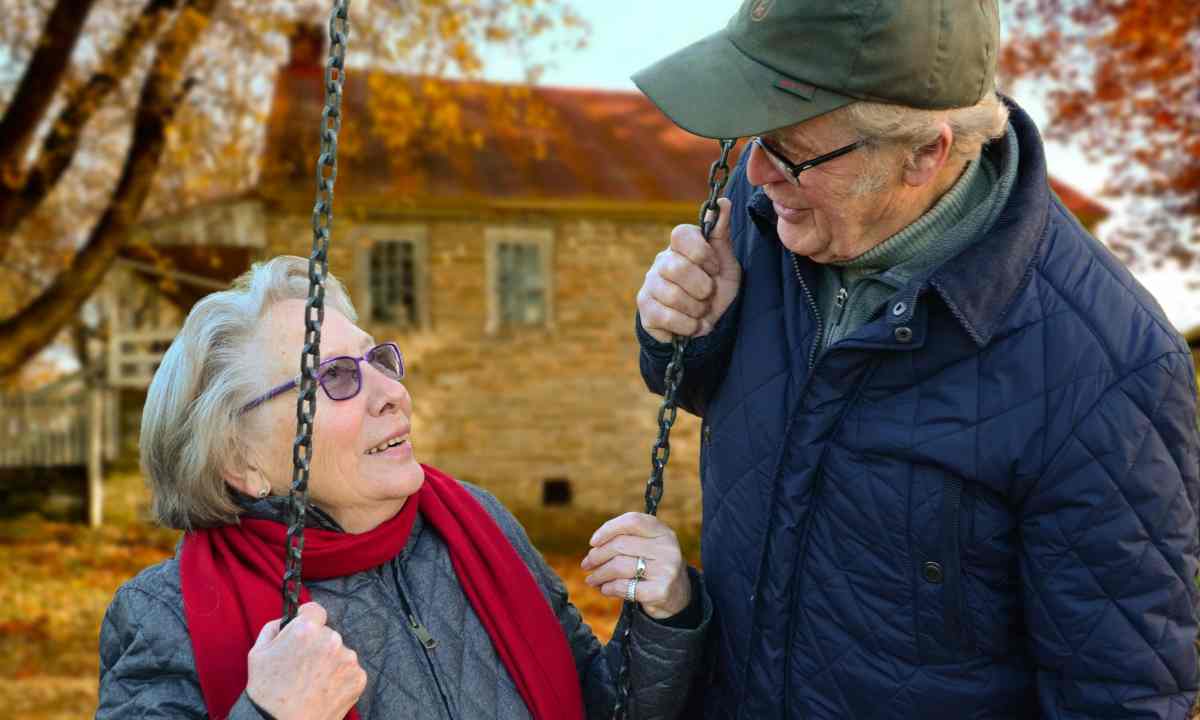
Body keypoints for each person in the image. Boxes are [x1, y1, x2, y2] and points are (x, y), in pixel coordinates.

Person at [632, 1, 1200, 718]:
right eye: (751, 138)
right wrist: (681, 331)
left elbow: (1119, 696)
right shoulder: (772, 213)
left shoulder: (1110, 369)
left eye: (789, 149)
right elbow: (711, 389)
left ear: (925, 154)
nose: (757, 171)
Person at [97, 255, 709, 720]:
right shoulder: (164, 615)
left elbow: (600, 705)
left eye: (378, 360)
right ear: (240, 461)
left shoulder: (477, 525)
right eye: (334, 377)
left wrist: (663, 617)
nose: (391, 393)